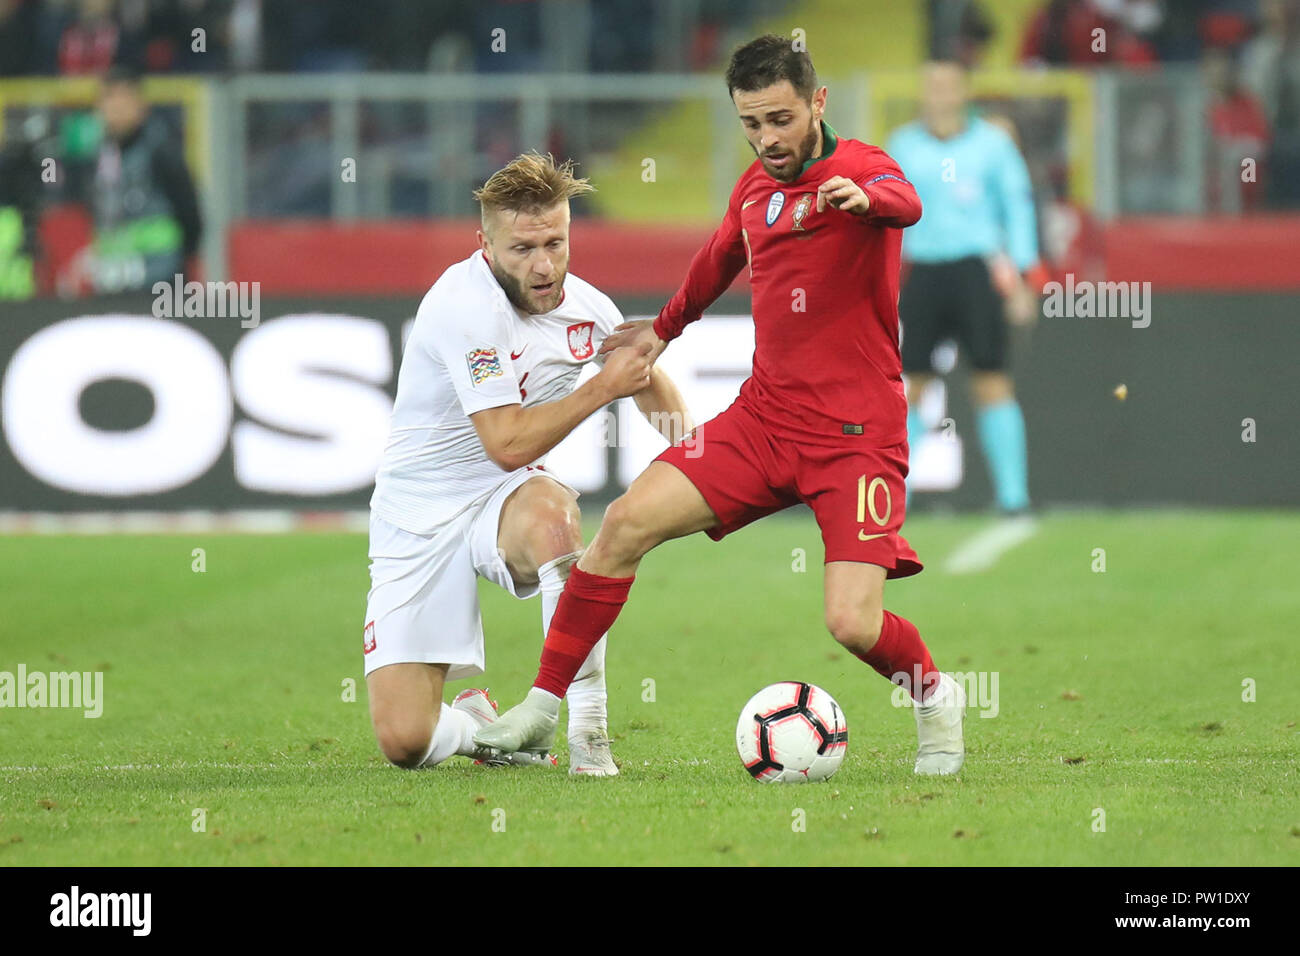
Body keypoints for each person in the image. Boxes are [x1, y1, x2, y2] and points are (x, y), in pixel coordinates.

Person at [476, 36, 967, 776]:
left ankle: (934, 699)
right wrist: (663, 331)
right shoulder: (754, 191)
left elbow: (908, 201)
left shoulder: (862, 170)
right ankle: (543, 710)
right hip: (764, 423)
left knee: (851, 622)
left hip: (856, 439)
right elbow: (718, 259)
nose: (767, 138)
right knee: (621, 526)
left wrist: (867, 201)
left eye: (780, 119)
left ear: (817, 103)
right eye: (751, 123)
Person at [364, 152, 692, 776]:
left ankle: (588, 736)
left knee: (553, 518)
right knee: (406, 742)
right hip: (418, 515)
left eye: (555, 243)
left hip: (502, 501)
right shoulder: (465, 308)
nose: (544, 266)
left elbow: (649, 385)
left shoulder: (587, 308)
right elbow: (507, 442)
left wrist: (706, 460)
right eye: (522, 248)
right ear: (484, 245)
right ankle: (481, 726)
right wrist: (602, 388)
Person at [887, 61, 1040, 515]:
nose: (939, 95)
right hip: (924, 272)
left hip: (976, 271)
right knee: (910, 384)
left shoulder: (993, 145)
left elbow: (1018, 208)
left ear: (963, 93)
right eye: (931, 85)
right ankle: (898, 497)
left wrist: (1025, 279)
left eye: (948, 86)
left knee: (991, 378)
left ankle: (1014, 498)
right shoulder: (903, 145)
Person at [90, 63, 202, 293]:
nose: (117, 107)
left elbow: (190, 212)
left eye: (125, 98)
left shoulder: (161, 149)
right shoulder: (97, 154)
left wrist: (184, 257)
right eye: (110, 98)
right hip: (113, 280)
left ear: (141, 105)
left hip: (161, 280)